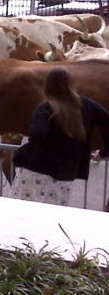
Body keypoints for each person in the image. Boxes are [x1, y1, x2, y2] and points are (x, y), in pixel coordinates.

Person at [11, 67, 109, 206]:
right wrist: (104, 152)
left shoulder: (45, 108)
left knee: (25, 215)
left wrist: (25, 154)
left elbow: (38, 134)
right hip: (65, 177)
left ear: (48, 85)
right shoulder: (87, 105)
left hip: (35, 173)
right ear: (70, 84)